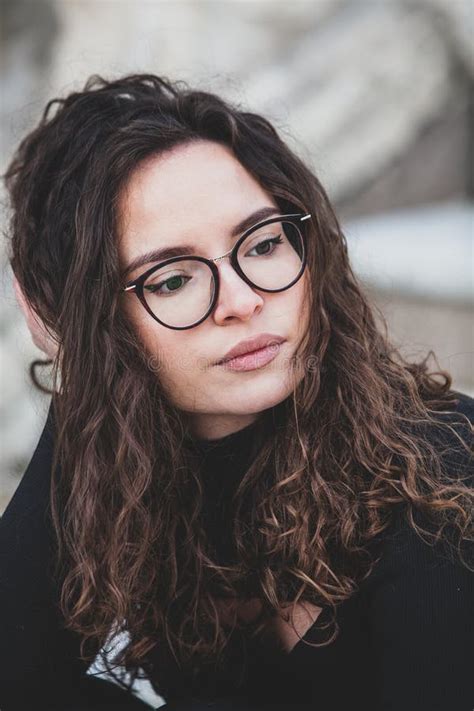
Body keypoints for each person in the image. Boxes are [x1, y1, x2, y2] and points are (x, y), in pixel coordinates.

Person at [0, 73, 472, 711]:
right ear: (76, 318)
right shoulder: (131, 483)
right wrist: (83, 370)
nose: (244, 301)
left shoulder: (440, 471)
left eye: (265, 242)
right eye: (171, 280)